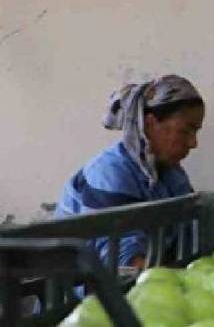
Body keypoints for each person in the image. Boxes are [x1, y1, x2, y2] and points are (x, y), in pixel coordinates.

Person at [55, 75, 205, 267]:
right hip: (86, 283)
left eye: (196, 132)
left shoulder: (172, 175)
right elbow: (121, 261)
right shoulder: (109, 173)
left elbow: (188, 237)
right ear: (150, 124)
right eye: (185, 131)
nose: (193, 143)